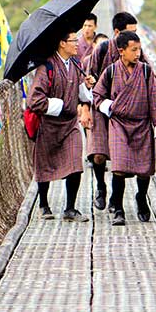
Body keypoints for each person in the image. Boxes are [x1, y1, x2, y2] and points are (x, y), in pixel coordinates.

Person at [93, 31, 156, 225]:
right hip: (118, 124)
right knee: (118, 168)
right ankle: (117, 207)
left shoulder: (145, 71)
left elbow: (154, 99)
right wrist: (110, 107)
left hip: (142, 126)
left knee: (145, 169)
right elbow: (97, 96)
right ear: (121, 51)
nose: (137, 53)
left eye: (139, 49)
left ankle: (141, 199)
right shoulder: (110, 71)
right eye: (133, 50)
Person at [27, 30, 93, 221]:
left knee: (75, 162)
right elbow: (34, 100)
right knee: (44, 165)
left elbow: (81, 94)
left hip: (70, 123)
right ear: (62, 43)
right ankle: (43, 204)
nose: (77, 44)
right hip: (48, 125)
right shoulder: (46, 67)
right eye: (73, 41)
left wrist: (87, 85)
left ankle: (70, 208)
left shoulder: (76, 64)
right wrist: (60, 105)